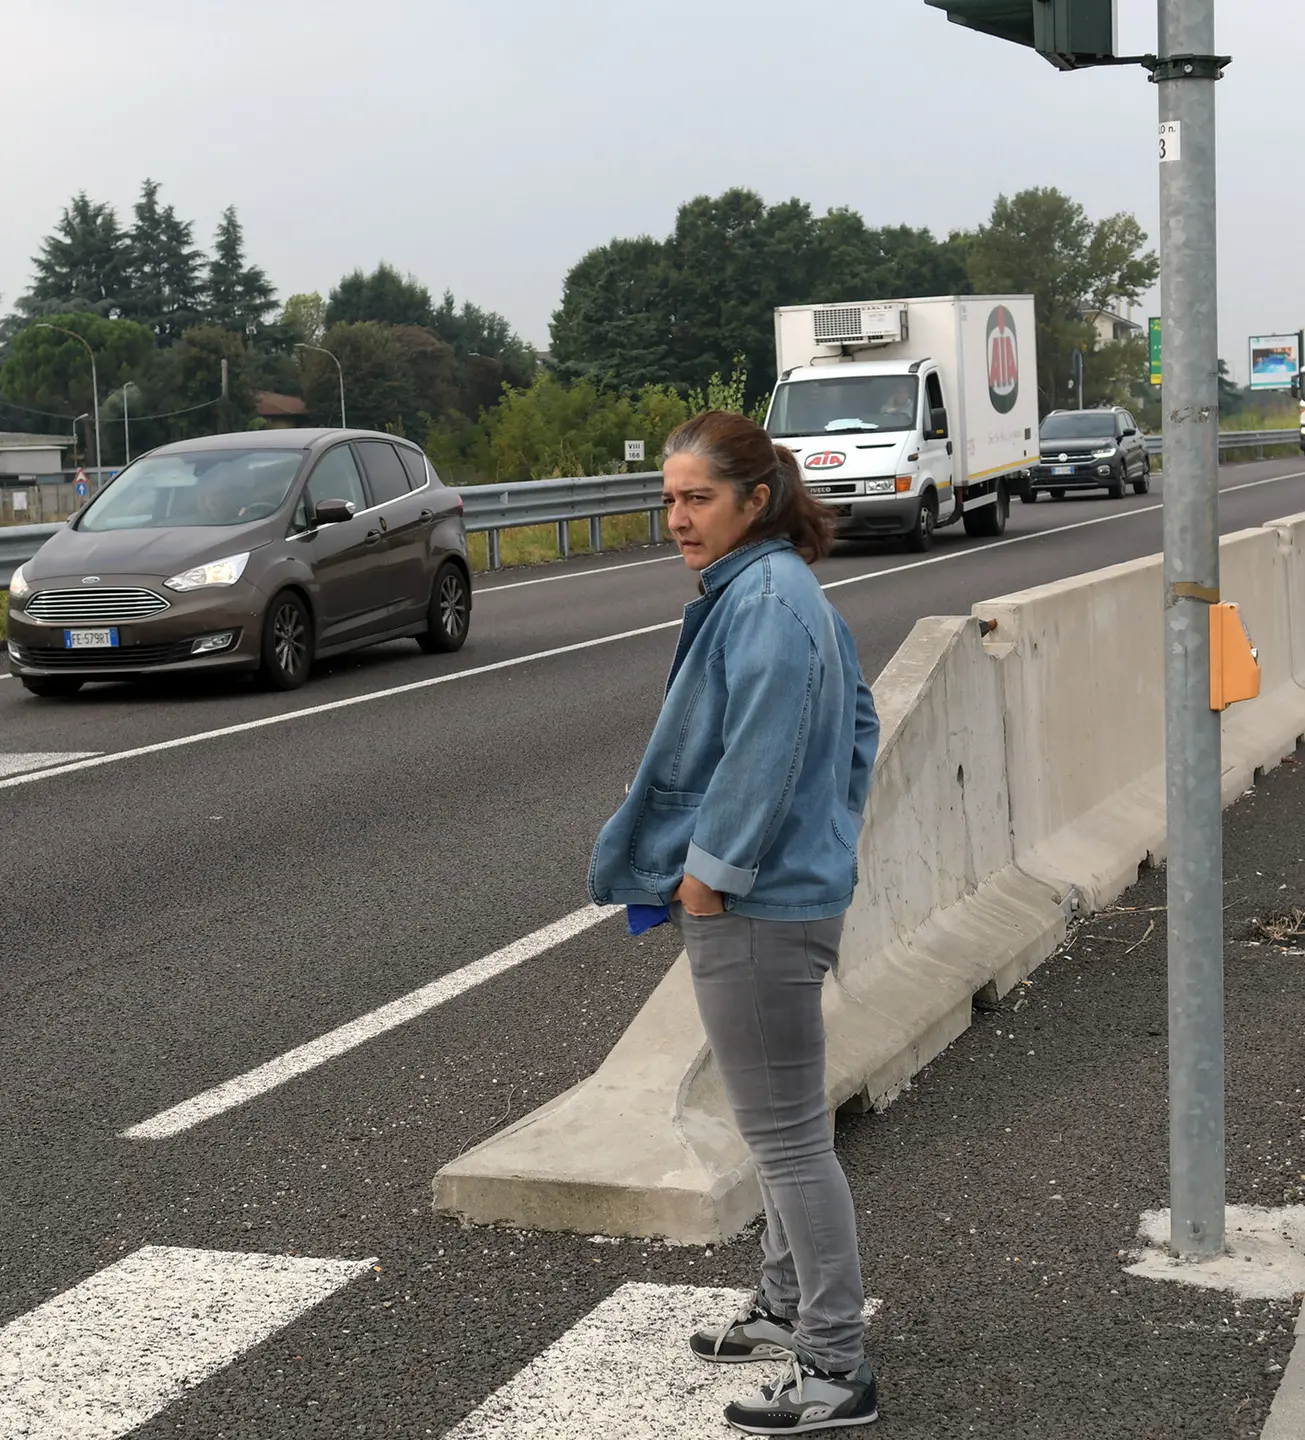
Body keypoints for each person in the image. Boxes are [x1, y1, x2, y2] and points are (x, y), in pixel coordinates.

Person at [588, 411, 881, 1434]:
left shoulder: (766, 603)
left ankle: (836, 1365)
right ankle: (786, 1305)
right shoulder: (772, 591)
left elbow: (766, 746)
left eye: (697, 497)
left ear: (756, 501)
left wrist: (713, 874)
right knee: (774, 1125)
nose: (676, 516)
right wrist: (821, 834)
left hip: (759, 904)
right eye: (668, 497)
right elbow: (856, 727)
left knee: (791, 1139)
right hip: (784, 888)